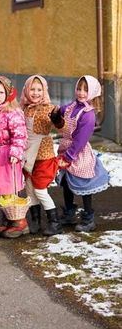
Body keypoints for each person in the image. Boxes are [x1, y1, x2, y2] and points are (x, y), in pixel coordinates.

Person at [50, 75, 109, 232]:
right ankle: (69, 212)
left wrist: (69, 157)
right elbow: (63, 110)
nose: (81, 92)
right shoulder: (72, 106)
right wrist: (55, 111)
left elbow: (81, 140)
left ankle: (88, 217)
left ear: (92, 93)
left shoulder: (88, 114)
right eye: (79, 88)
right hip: (65, 147)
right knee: (66, 183)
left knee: (83, 184)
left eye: (85, 90)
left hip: (78, 153)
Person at [0, 75, 28, 238]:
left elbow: (20, 135)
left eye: (0, 92)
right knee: (0, 189)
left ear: (7, 94)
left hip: (8, 155)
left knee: (9, 188)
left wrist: (16, 152)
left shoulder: (13, 112)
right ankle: (7, 219)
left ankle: (19, 222)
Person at [20, 75, 64, 236]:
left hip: (43, 154)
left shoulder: (49, 108)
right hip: (28, 154)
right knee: (30, 190)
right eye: (32, 89)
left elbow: (61, 126)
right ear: (26, 90)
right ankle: (36, 221)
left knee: (40, 190)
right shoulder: (24, 108)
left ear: (44, 91)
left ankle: (55, 222)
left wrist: (58, 119)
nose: (36, 92)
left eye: (39, 89)